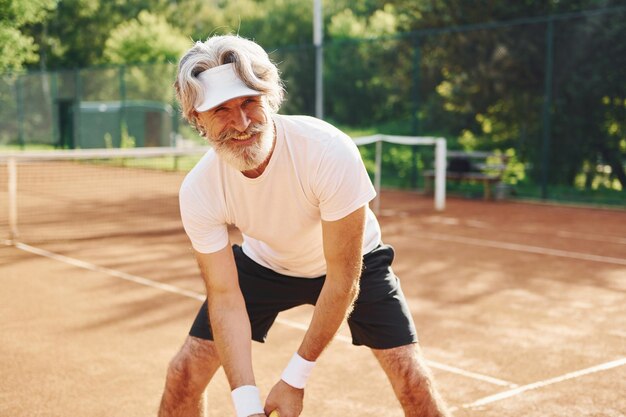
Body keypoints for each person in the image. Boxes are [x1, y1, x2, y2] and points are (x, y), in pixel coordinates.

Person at [158, 34, 451, 417]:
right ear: (197, 118)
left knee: (412, 380)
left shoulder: (328, 151)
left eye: (250, 101)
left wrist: (295, 379)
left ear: (271, 97)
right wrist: (246, 405)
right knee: (183, 374)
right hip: (266, 265)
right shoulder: (199, 190)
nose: (242, 123)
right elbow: (225, 297)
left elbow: (344, 277)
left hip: (352, 262)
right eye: (221, 110)